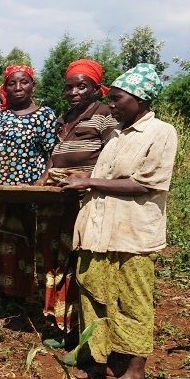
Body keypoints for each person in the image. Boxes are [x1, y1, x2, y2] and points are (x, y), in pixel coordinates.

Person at [64, 64, 176, 379]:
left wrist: (90, 182)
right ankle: (99, 359)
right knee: (94, 292)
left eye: (117, 99)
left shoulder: (161, 132)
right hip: (99, 229)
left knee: (133, 301)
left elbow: (147, 184)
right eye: (110, 99)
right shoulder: (115, 134)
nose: (111, 105)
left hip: (132, 233)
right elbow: (105, 177)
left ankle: (135, 372)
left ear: (140, 100)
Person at [35, 60, 119, 344]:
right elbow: (54, 155)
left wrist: (89, 179)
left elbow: (112, 158)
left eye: (81, 87)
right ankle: (61, 325)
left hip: (84, 199)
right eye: (69, 87)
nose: (73, 92)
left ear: (97, 89)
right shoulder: (64, 118)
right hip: (55, 197)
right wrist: (44, 177)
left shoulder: (104, 116)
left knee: (78, 261)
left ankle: (82, 330)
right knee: (54, 259)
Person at [0, 65, 57, 302]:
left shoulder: (45, 115)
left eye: (24, 82)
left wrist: (43, 180)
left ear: (33, 87)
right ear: (5, 88)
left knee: (20, 242)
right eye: (12, 83)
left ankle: (19, 296)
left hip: (26, 193)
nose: (18, 87)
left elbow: (54, 152)